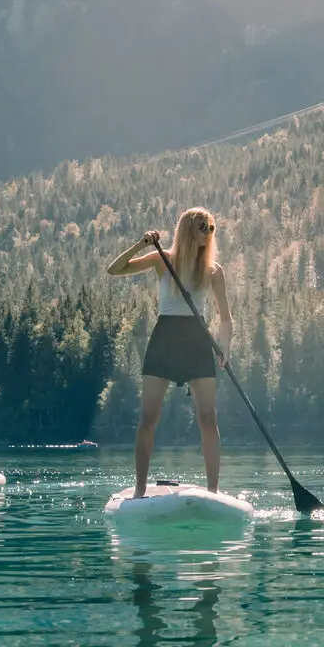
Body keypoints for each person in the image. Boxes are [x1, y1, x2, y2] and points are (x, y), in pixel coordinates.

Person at [106, 207, 233, 497]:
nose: (209, 233)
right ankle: (139, 490)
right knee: (149, 417)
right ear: (188, 229)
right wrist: (142, 244)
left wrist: (225, 346)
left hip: (197, 340)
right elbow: (115, 270)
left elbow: (226, 318)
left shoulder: (213, 270)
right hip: (165, 338)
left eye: (211, 227)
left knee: (208, 418)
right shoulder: (163, 260)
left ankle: (213, 491)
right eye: (203, 227)